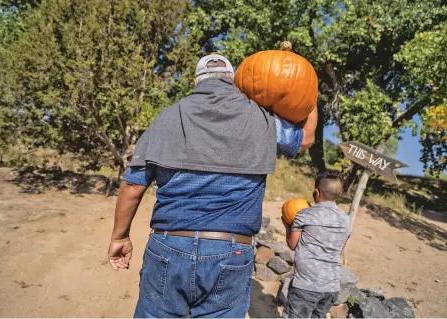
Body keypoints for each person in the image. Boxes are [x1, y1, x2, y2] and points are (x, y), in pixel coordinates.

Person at [107, 54, 318, 318]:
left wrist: (119, 237)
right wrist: (311, 92)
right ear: (234, 82)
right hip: (231, 249)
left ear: (196, 81)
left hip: (169, 245)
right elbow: (307, 138)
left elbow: (132, 186)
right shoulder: (264, 122)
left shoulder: (166, 118)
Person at [282, 172, 351, 318]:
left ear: (316, 192)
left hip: (306, 285)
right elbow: (340, 249)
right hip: (332, 286)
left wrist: (288, 226)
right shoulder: (346, 220)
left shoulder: (304, 215)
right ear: (339, 194)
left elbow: (292, 244)